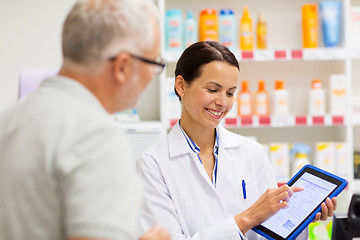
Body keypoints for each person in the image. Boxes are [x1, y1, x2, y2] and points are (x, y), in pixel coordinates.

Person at [0, 0, 170, 240]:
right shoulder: (97, 138)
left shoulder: (9, 120)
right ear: (122, 67)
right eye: (154, 64)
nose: (153, 76)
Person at [137, 41, 336, 239]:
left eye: (230, 93)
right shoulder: (153, 164)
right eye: (213, 90)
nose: (223, 102)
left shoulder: (251, 152)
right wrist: (247, 218)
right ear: (181, 86)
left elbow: (270, 233)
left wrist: (299, 221)